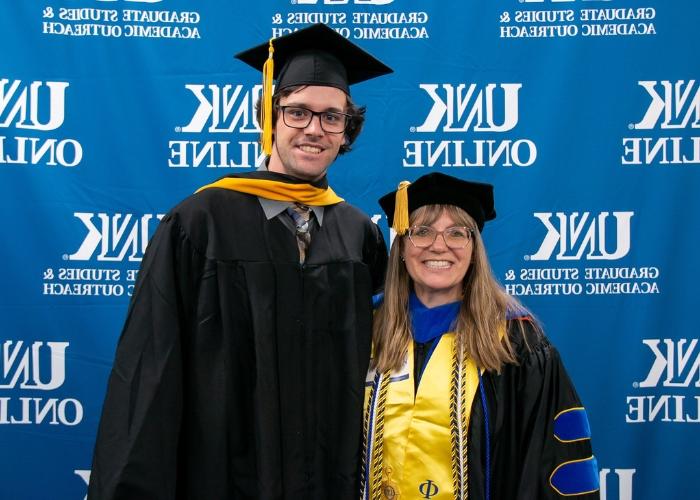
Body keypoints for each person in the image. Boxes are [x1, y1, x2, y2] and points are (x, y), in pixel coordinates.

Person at [88, 24, 391, 500]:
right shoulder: (199, 223)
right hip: (221, 475)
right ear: (269, 118)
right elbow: (151, 367)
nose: (314, 129)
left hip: (327, 476)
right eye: (297, 113)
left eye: (332, 117)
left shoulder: (360, 234)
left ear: (346, 130)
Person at [361, 173, 600, 500]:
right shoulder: (364, 330)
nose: (439, 245)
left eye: (457, 233)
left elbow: (554, 465)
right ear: (401, 247)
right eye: (422, 232)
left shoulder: (516, 343)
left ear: (474, 250)